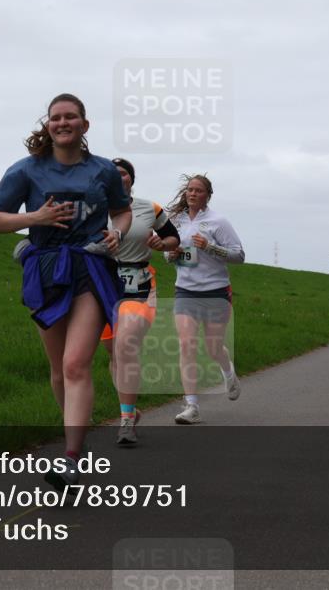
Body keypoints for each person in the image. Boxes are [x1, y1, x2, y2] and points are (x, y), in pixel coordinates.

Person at [0, 93, 131, 486]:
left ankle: (70, 457)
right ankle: (77, 438)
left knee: (74, 364)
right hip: (47, 269)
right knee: (58, 370)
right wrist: (36, 217)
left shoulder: (103, 170)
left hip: (89, 267)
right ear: (48, 124)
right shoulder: (25, 170)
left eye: (71, 117)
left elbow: (121, 211)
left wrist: (117, 233)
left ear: (84, 125)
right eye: (56, 117)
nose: (63, 122)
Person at [99, 158, 180, 444]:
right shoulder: (94, 207)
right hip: (103, 285)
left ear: (131, 180)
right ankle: (131, 410)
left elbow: (173, 239)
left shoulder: (149, 208)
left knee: (125, 345)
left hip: (139, 284)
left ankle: (125, 422)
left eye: (123, 173)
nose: (118, 177)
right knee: (114, 353)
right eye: (113, 173)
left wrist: (162, 243)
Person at [164, 175, 244, 424]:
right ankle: (192, 406)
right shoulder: (175, 221)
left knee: (213, 348)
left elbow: (239, 255)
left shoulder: (218, 222)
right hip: (185, 291)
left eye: (198, 190)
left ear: (208, 195)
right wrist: (172, 254)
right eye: (190, 189)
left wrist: (210, 247)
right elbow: (167, 255)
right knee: (187, 345)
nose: (192, 193)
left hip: (215, 292)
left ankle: (228, 372)